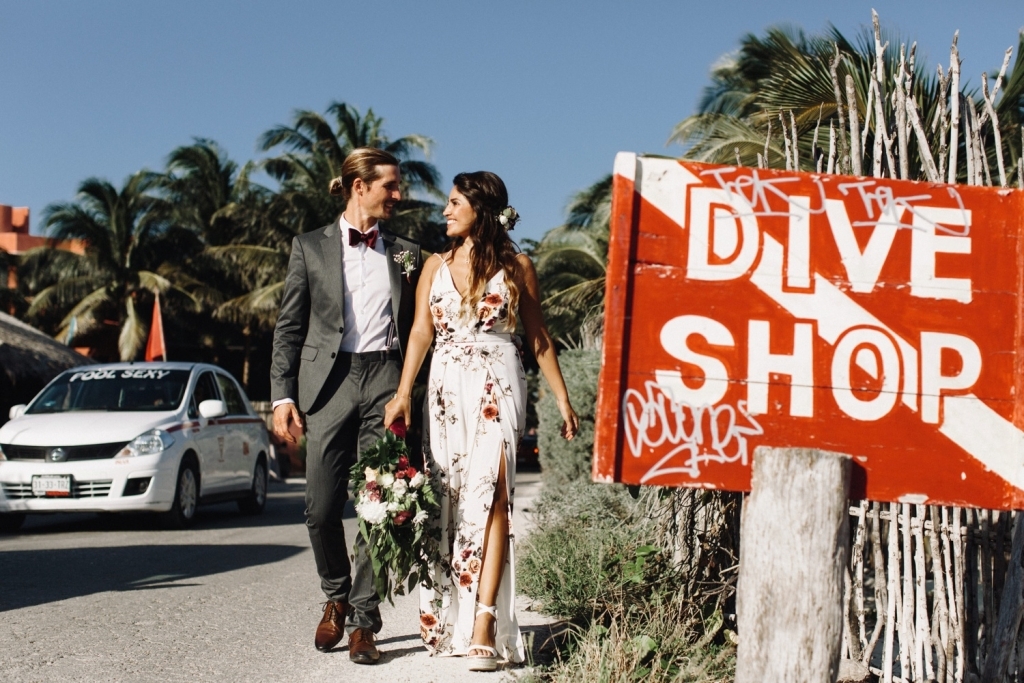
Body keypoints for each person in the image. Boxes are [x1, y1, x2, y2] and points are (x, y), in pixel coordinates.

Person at [384, 171, 579, 671]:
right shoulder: (431, 264)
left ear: (480, 209)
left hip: (500, 383)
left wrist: (561, 400)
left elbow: (537, 338)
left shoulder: (519, 266)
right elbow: (421, 334)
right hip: (447, 392)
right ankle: (455, 614)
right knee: (451, 501)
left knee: (493, 496)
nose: (445, 212)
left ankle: (485, 623)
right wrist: (404, 393)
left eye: (454, 203)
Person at [270, 147, 421, 665]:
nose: (398, 196)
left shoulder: (405, 252)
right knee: (319, 507)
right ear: (360, 186)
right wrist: (282, 395)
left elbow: (424, 321)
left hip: (385, 379)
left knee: (380, 505)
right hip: (326, 385)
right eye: (390, 187)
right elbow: (289, 327)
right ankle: (334, 594)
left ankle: (363, 621)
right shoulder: (309, 246)